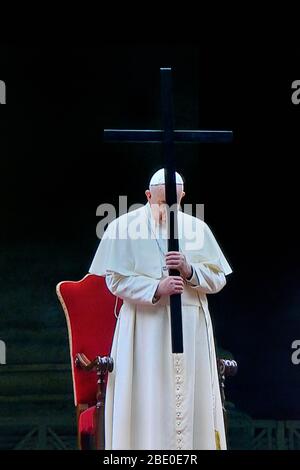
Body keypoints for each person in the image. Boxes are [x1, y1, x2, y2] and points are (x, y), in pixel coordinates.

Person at [89, 168, 232, 450]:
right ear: (147, 195)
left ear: (183, 197)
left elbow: (218, 280)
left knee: (192, 402)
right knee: (147, 400)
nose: (166, 208)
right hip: (144, 328)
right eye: (159, 202)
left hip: (191, 330)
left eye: (173, 202)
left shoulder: (197, 229)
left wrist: (190, 270)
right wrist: (156, 288)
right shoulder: (123, 227)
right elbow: (115, 281)